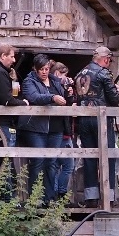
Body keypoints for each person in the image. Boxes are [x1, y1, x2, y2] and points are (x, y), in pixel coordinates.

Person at [19, 54, 68, 203]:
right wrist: (52, 97)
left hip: (55, 126)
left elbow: (63, 99)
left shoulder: (55, 81)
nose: (44, 72)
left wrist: (68, 95)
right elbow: (34, 97)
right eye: (41, 69)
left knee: (51, 163)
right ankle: (34, 199)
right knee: (38, 161)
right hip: (36, 127)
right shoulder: (29, 81)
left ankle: (49, 198)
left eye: (47, 69)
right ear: (35, 68)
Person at [76, 45, 119, 207]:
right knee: (107, 155)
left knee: (89, 156)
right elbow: (114, 98)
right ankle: (108, 196)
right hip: (100, 119)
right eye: (109, 60)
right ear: (105, 59)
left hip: (84, 119)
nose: (109, 63)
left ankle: (91, 197)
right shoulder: (103, 74)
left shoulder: (80, 73)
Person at [49, 61, 75, 200]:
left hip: (65, 130)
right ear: (58, 73)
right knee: (64, 165)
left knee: (64, 164)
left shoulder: (61, 87)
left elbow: (68, 104)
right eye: (64, 75)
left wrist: (69, 94)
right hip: (58, 130)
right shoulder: (52, 86)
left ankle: (58, 193)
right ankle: (59, 193)